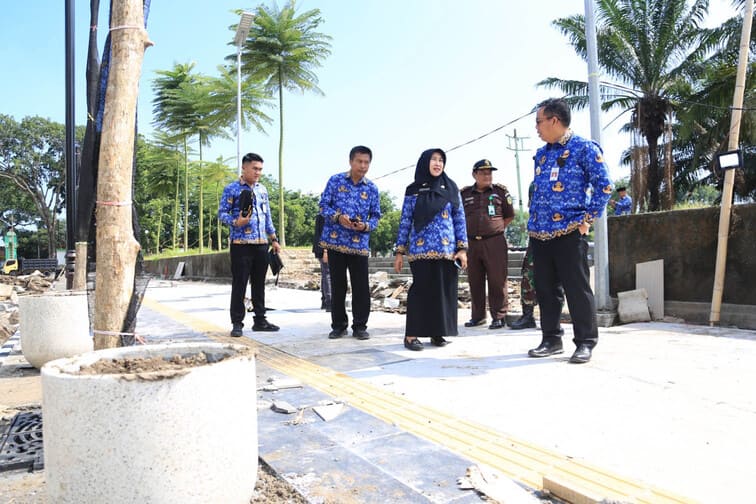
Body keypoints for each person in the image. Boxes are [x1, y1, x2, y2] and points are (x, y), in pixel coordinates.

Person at [527, 98, 612, 363]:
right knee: (545, 290)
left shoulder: (584, 148)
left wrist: (587, 219)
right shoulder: (541, 154)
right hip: (540, 233)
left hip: (569, 231)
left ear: (554, 120)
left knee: (577, 289)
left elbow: (604, 186)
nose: (536, 128)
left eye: (539, 122)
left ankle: (585, 342)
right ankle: (551, 339)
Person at [394, 148, 468, 351]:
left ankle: (437, 332)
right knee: (421, 292)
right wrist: (399, 251)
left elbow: (459, 219)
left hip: (447, 250)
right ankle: (411, 335)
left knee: (443, 293)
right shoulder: (413, 190)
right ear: (425, 162)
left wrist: (462, 249)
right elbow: (406, 220)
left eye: (441, 160)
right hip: (420, 250)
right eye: (433, 159)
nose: (437, 163)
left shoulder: (451, 188)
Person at [318, 146, 381, 340]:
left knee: (361, 287)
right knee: (338, 286)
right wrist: (338, 217)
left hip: (359, 245)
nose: (363, 166)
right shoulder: (335, 181)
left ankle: (360, 326)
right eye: (359, 161)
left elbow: (376, 216)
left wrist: (365, 226)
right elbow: (323, 206)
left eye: (366, 162)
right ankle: (338, 326)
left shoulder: (372, 188)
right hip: (336, 242)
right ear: (351, 161)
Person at [218, 152, 282, 337]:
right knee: (240, 284)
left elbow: (267, 216)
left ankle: (260, 320)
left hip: (261, 244)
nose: (258, 172)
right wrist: (235, 221)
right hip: (241, 244)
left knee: (259, 284)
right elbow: (222, 213)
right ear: (244, 168)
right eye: (254, 168)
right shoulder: (232, 189)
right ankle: (237, 322)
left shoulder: (262, 190)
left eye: (260, 169)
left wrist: (274, 238)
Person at [460, 159, 515, 329]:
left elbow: (509, 215)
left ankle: (499, 316)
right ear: (474, 174)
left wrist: (494, 229)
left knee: (497, 280)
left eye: (489, 172)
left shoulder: (500, 192)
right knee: (475, 280)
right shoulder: (464, 194)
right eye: (483, 173)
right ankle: (478, 317)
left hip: (494, 242)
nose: (487, 176)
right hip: (471, 243)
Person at [312, 213, 331, 311]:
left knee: (325, 273)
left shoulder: (321, 215)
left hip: (320, 248)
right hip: (324, 248)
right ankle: (329, 301)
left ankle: (325, 300)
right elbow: (324, 233)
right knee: (328, 274)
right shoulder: (326, 216)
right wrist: (326, 250)